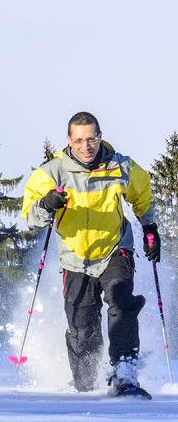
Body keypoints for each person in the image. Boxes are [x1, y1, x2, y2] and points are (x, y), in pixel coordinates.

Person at [21, 111, 160, 398]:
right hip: (74, 257)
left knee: (121, 302)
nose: (87, 146)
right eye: (80, 140)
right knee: (82, 326)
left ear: (100, 136)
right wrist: (47, 204)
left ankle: (124, 373)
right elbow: (30, 216)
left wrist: (150, 228)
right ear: (69, 140)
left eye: (92, 139)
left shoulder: (120, 166)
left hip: (115, 248)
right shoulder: (52, 172)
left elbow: (142, 194)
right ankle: (84, 384)